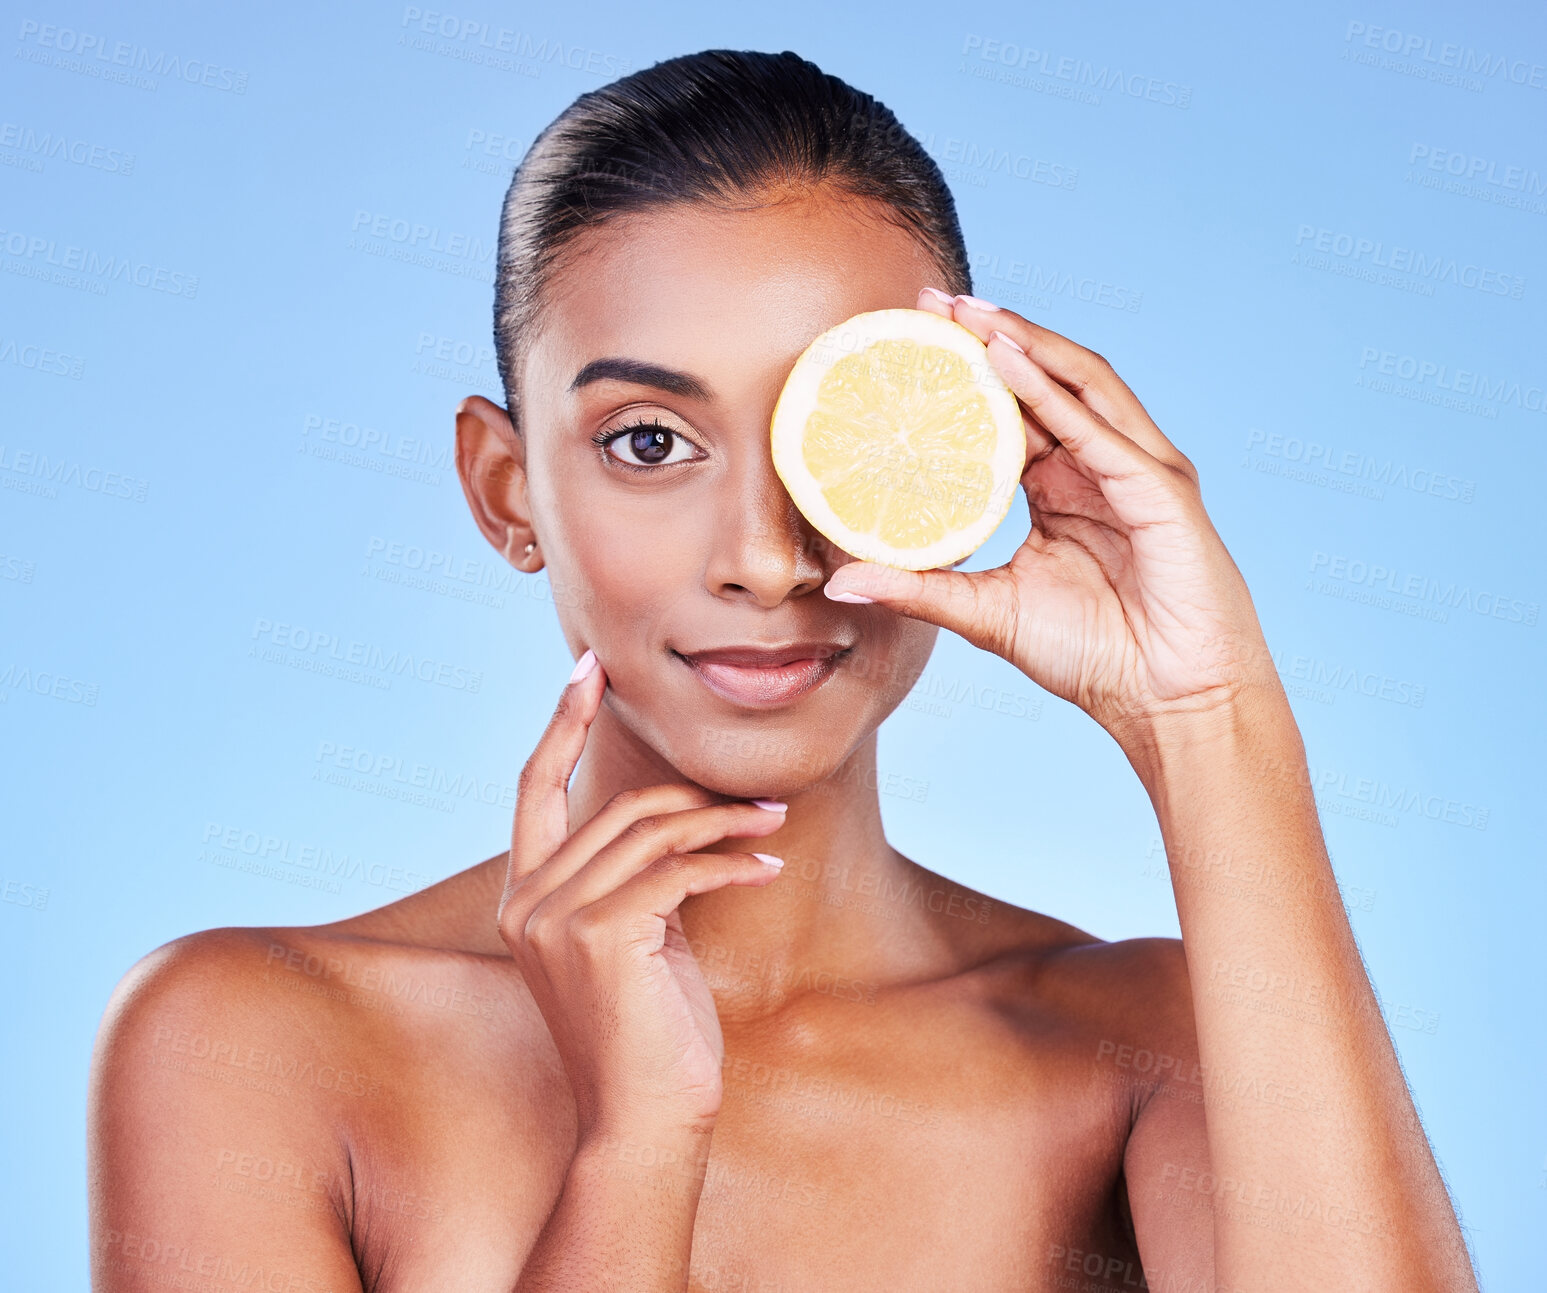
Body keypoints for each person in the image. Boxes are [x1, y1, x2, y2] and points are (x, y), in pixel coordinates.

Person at [87, 48, 1478, 1292]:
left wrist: (1207, 717)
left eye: (836, 435)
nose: (765, 556)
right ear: (506, 490)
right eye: (649, 441)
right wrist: (634, 1152)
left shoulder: (1146, 1042)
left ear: (967, 455)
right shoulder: (243, 1044)